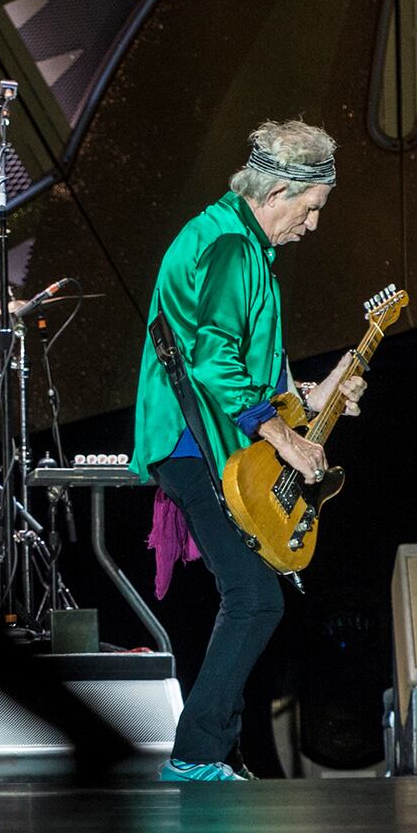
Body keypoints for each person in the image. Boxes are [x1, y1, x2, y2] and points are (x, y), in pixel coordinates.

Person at [130, 119, 368, 783]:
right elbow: (213, 361)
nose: (313, 224)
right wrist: (285, 438)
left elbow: (250, 370)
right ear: (279, 191)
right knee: (255, 598)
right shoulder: (233, 246)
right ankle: (196, 754)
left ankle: (211, 755)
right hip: (195, 443)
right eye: (311, 207)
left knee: (254, 597)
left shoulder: (235, 241)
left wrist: (317, 395)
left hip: (210, 440)